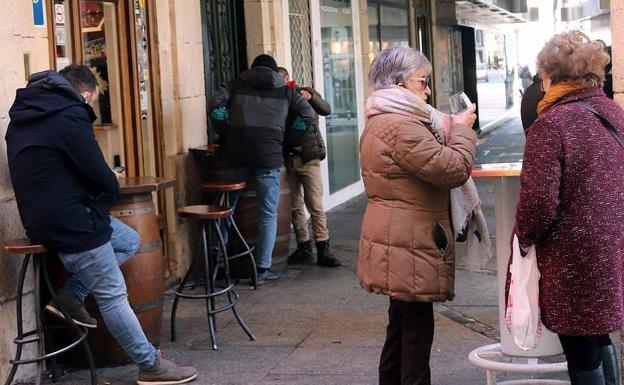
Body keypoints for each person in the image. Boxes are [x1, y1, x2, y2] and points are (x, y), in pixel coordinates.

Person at [5, 65, 197, 385]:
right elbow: (97, 173)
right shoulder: (69, 115)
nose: (90, 107)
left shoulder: (25, 115)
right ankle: (150, 365)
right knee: (113, 297)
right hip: (74, 222)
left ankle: (70, 295)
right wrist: (112, 182)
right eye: (92, 101)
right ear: (86, 94)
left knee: (126, 239)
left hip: (42, 219)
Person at [358, 46, 478, 384]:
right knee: (415, 332)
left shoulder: (382, 119)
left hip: (398, 235)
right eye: (422, 82)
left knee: (401, 325)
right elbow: (452, 168)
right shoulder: (400, 126)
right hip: (409, 238)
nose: (427, 91)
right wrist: (463, 131)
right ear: (398, 84)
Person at [515, 31, 623, 384]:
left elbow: (538, 202)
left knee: (579, 348)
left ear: (550, 75)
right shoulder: (614, 114)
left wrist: (525, 236)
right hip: (612, 245)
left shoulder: (551, 123)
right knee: (599, 334)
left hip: (574, 256)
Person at [208, 55, 316, 284]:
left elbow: (215, 106)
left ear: (253, 68)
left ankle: (218, 267)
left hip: (235, 155)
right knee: (268, 213)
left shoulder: (236, 83)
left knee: (226, 209)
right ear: (274, 70)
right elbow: (308, 114)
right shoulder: (285, 90)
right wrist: (288, 140)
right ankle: (262, 268)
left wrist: (226, 132)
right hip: (269, 156)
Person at [276, 67, 340, 267]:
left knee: (315, 205)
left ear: (288, 78)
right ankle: (304, 245)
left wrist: (311, 96)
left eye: (280, 80)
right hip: (289, 158)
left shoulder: (303, 92)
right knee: (295, 205)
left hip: (309, 158)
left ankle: (323, 247)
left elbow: (325, 109)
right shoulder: (275, 98)